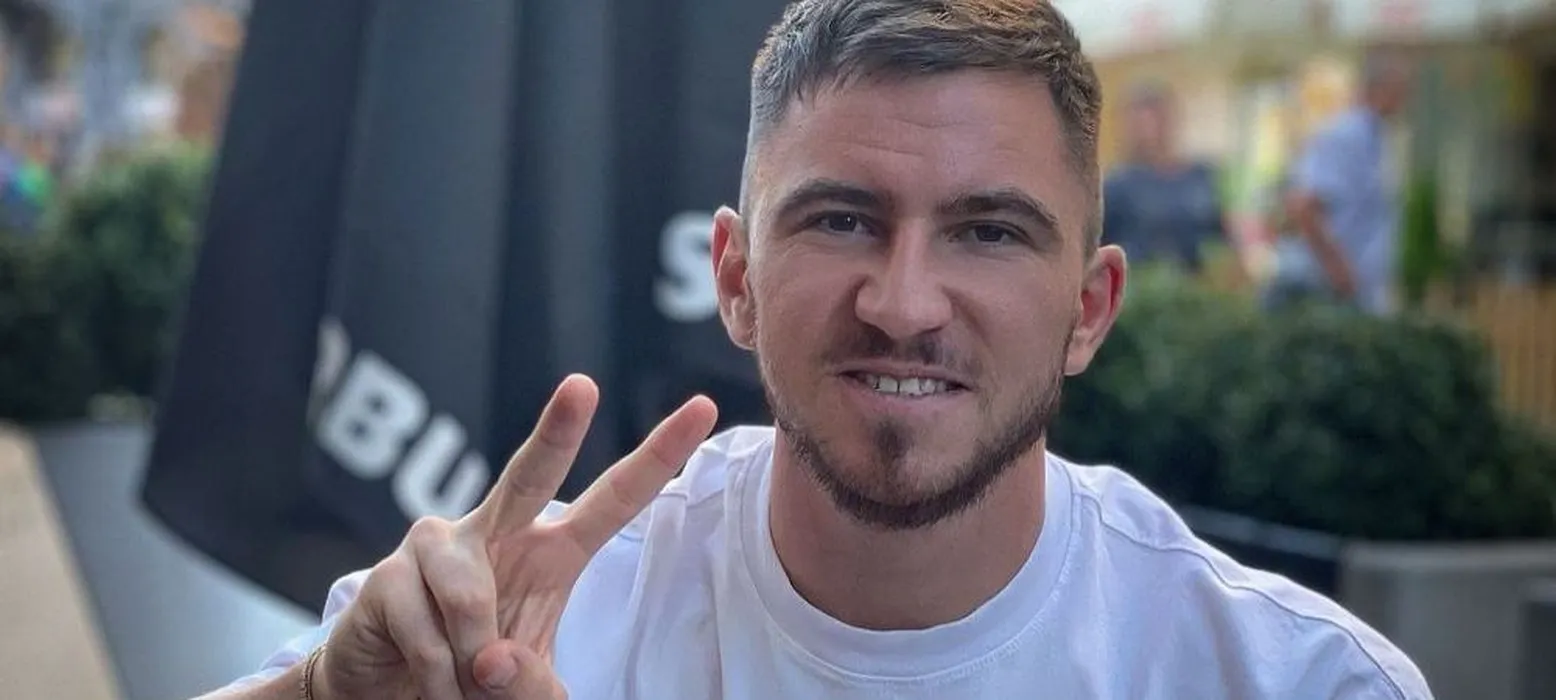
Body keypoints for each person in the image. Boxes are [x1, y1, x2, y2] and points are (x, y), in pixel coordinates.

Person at [207, 2, 1432, 698]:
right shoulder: (536, 610)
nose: (902, 303)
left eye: (988, 231)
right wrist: (322, 697)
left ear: (1089, 307)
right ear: (734, 277)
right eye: (841, 219)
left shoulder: (1284, 677)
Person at [1284, 52, 1415, 314]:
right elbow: (1303, 206)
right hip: (1330, 292)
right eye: (1400, 91)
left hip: (1359, 291)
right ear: (1379, 89)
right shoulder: (1347, 135)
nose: (1406, 101)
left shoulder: (1376, 138)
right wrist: (1338, 271)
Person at [1100, 82, 1234, 274]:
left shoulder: (1202, 176)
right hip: (1141, 284)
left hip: (1199, 283)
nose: (1150, 132)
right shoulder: (1117, 185)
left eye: (1158, 120)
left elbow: (1222, 235)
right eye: (1140, 124)